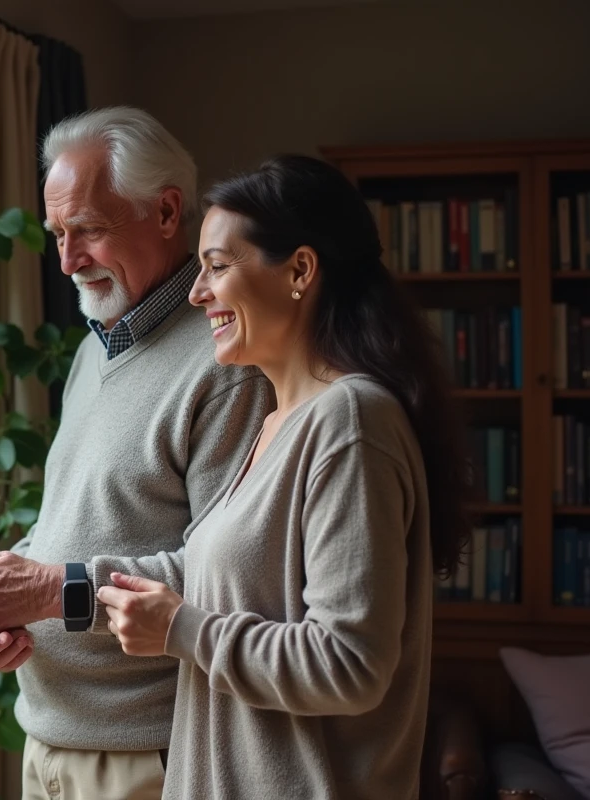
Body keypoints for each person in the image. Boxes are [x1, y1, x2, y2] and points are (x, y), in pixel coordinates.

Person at [95, 154, 472, 799]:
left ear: (299, 270)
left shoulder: (350, 421)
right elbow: (224, 583)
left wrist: (181, 630)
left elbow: (349, 665)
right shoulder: (276, 421)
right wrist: (59, 592)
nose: (197, 293)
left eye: (217, 266)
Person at [0, 107, 273, 800]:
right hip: (47, 739)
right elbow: (71, 526)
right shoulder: (94, 349)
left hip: (147, 752)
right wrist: (4, 604)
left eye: (88, 229)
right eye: (57, 234)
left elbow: (232, 574)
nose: (67, 260)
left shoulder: (227, 362)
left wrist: (46, 591)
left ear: (167, 211)